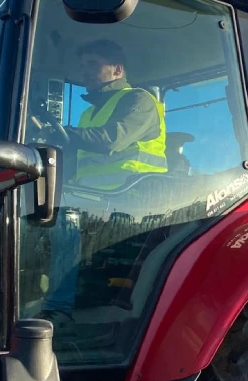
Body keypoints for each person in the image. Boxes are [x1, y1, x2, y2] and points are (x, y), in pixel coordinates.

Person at [36, 39, 167, 328]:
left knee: (63, 217)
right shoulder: (89, 113)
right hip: (95, 196)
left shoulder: (139, 101)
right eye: (83, 65)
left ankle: (58, 308)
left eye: (92, 64)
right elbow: (75, 158)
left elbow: (112, 140)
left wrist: (64, 133)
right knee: (34, 206)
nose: (84, 71)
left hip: (134, 196)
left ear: (117, 69)